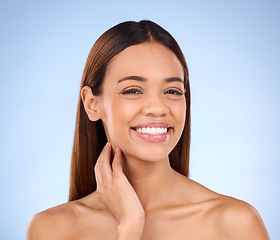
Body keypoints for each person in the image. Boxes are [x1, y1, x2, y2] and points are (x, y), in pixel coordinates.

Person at [26, 20, 270, 240]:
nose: (157, 108)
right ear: (92, 104)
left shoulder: (236, 223)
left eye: (172, 91)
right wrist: (130, 226)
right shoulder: (51, 229)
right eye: (133, 90)